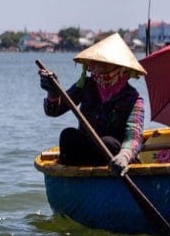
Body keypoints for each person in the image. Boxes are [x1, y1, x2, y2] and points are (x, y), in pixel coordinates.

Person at [39, 33, 147, 175]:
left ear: (119, 68)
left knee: (108, 143)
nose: (93, 68)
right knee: (68, 136)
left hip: (112, 159)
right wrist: (53, 92)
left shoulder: (134, 99)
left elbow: (133, 136)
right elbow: (55, 110)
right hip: (85, 153)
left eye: (101, 63)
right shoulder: (85, 85)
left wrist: (124, 156)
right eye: (93, 63)